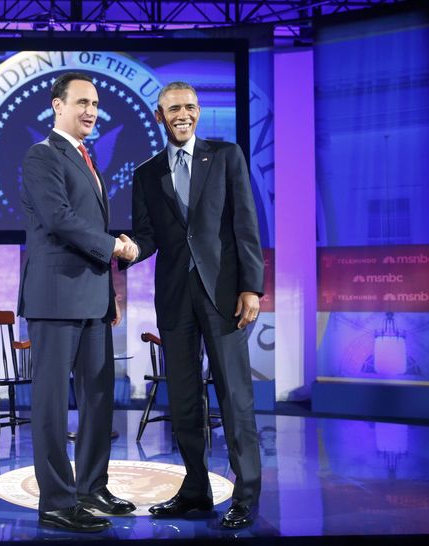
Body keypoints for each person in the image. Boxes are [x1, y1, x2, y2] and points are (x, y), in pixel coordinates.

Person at [121, 81, 264, 529]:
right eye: (174, 109)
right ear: (159, 116)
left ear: (198, 112)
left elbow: (245, 223)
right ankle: (196, 488)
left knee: (235, 396)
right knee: (183, 398)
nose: (183, 114)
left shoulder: (226, 156)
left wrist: (251, 287)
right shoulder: (145, 174)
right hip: (175, 300)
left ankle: (245, 494)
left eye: (191, 107)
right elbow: (147, 237)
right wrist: (129, 249)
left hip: (224, 297)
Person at [17, 72, 138, 533]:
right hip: (54, 299)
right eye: (82, 102)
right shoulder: (42, 155)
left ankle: (91, 487)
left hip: (91, 299)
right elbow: (60, 220)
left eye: (95, 104)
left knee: (99, 398)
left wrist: (109, 292)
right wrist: (115, 247)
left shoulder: (87, 158)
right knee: (51, 404)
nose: (91, 111)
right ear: (57, 105)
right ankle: (56, 501)